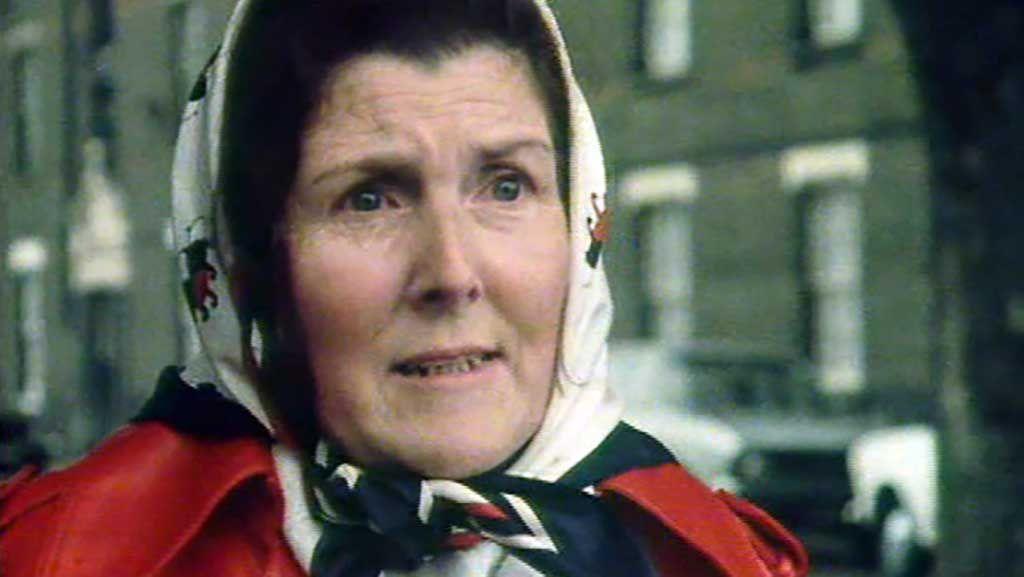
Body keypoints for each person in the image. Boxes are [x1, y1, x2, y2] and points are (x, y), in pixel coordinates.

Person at [0, 1, 809, 576]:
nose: (452, 274)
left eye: (504, 185)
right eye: (370, 198)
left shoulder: (717, 560)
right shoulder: (59, 555)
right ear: (252, 265)